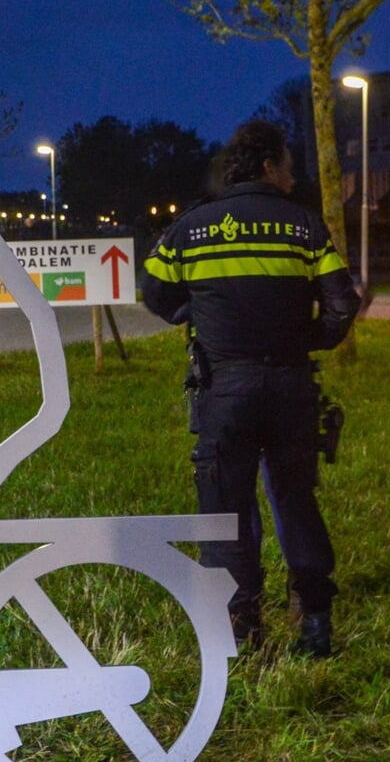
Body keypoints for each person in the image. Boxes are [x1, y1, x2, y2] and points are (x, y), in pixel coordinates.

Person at [141, 119, 361, 657]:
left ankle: (241, 629)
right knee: (295, 501)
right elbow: (342, 304)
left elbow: (155, 294)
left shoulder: (191, 227)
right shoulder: (304, 226)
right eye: (288, 163)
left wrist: (202, 316)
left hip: (224, 390)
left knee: (228, 508)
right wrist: (305, 338)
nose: (293, 174)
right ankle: (315, 624)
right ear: (267, 165)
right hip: (291, 387)